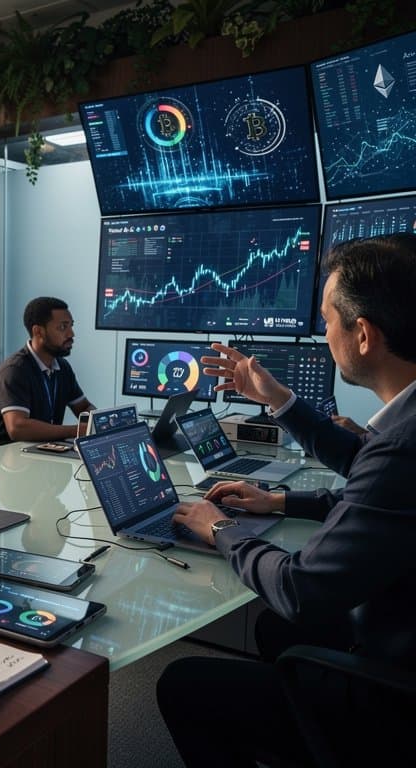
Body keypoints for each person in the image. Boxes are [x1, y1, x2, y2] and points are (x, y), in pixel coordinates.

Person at [156, 234, 416, 767]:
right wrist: (277, 497)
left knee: (185, 683)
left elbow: (301, 588)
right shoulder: (403, 434)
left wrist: (220, 528)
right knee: (275, 628)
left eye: (326, 320)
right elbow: (371, 476)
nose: (323, 333)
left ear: (363, 334)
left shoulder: (404, 448)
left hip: (396, 703)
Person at [0, 297, 95, 448]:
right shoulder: (15, 370)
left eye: (71, 326)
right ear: (38, 331)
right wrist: (76, 431)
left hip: (43, 449)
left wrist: (102, 423)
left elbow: (83, 408)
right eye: (62, 327)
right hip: (6, 456)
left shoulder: (61, 366)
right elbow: (18, 428)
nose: (71, 334)